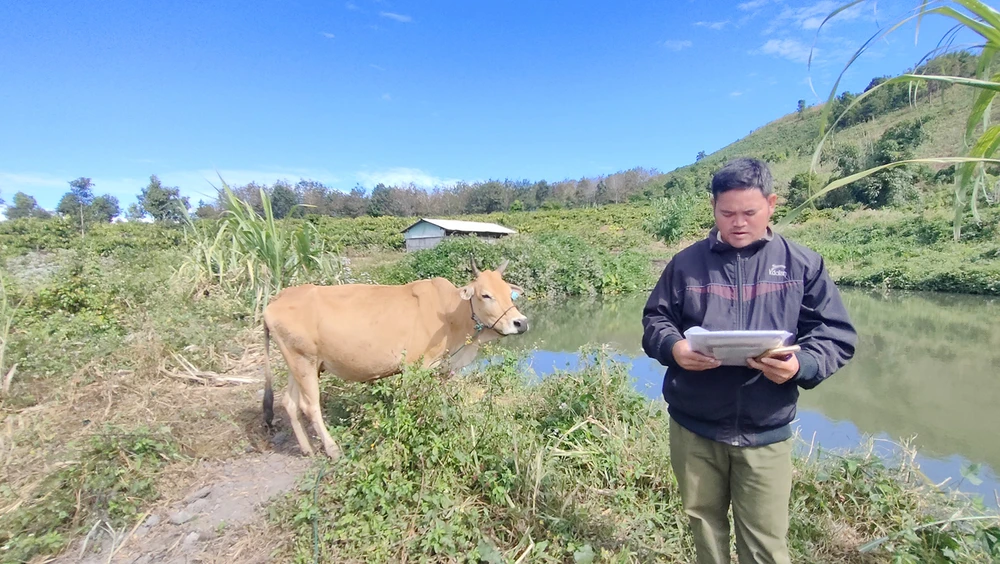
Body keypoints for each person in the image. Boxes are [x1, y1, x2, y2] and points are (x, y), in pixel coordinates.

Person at [641, 157, 857, 564]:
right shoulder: (686, 263)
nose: (738, 223)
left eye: (749, 212)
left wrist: (801, 365)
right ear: (714, 209)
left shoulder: (802, 264)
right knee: (703, 525)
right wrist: (675, 349)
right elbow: (656, 319)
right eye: (727, 213)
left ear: (771, 204)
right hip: (694, 427)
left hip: (765, 429)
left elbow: (836, 335)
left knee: (765, 543)